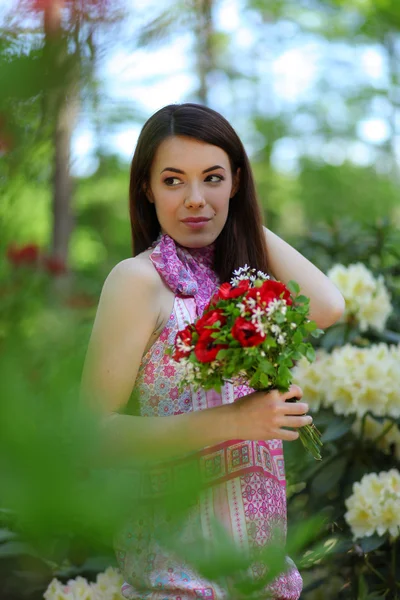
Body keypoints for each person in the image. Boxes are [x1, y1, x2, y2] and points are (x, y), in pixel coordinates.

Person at [81, 103, 345, 600]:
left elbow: (329, 305)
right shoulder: (138, 281)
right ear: (147, 189)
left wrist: (241, 218)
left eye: (213, 178)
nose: (196, 200)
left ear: (237, 182)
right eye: (174, 181)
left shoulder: (241, 282)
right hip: (178, 576)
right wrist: (235, 422)